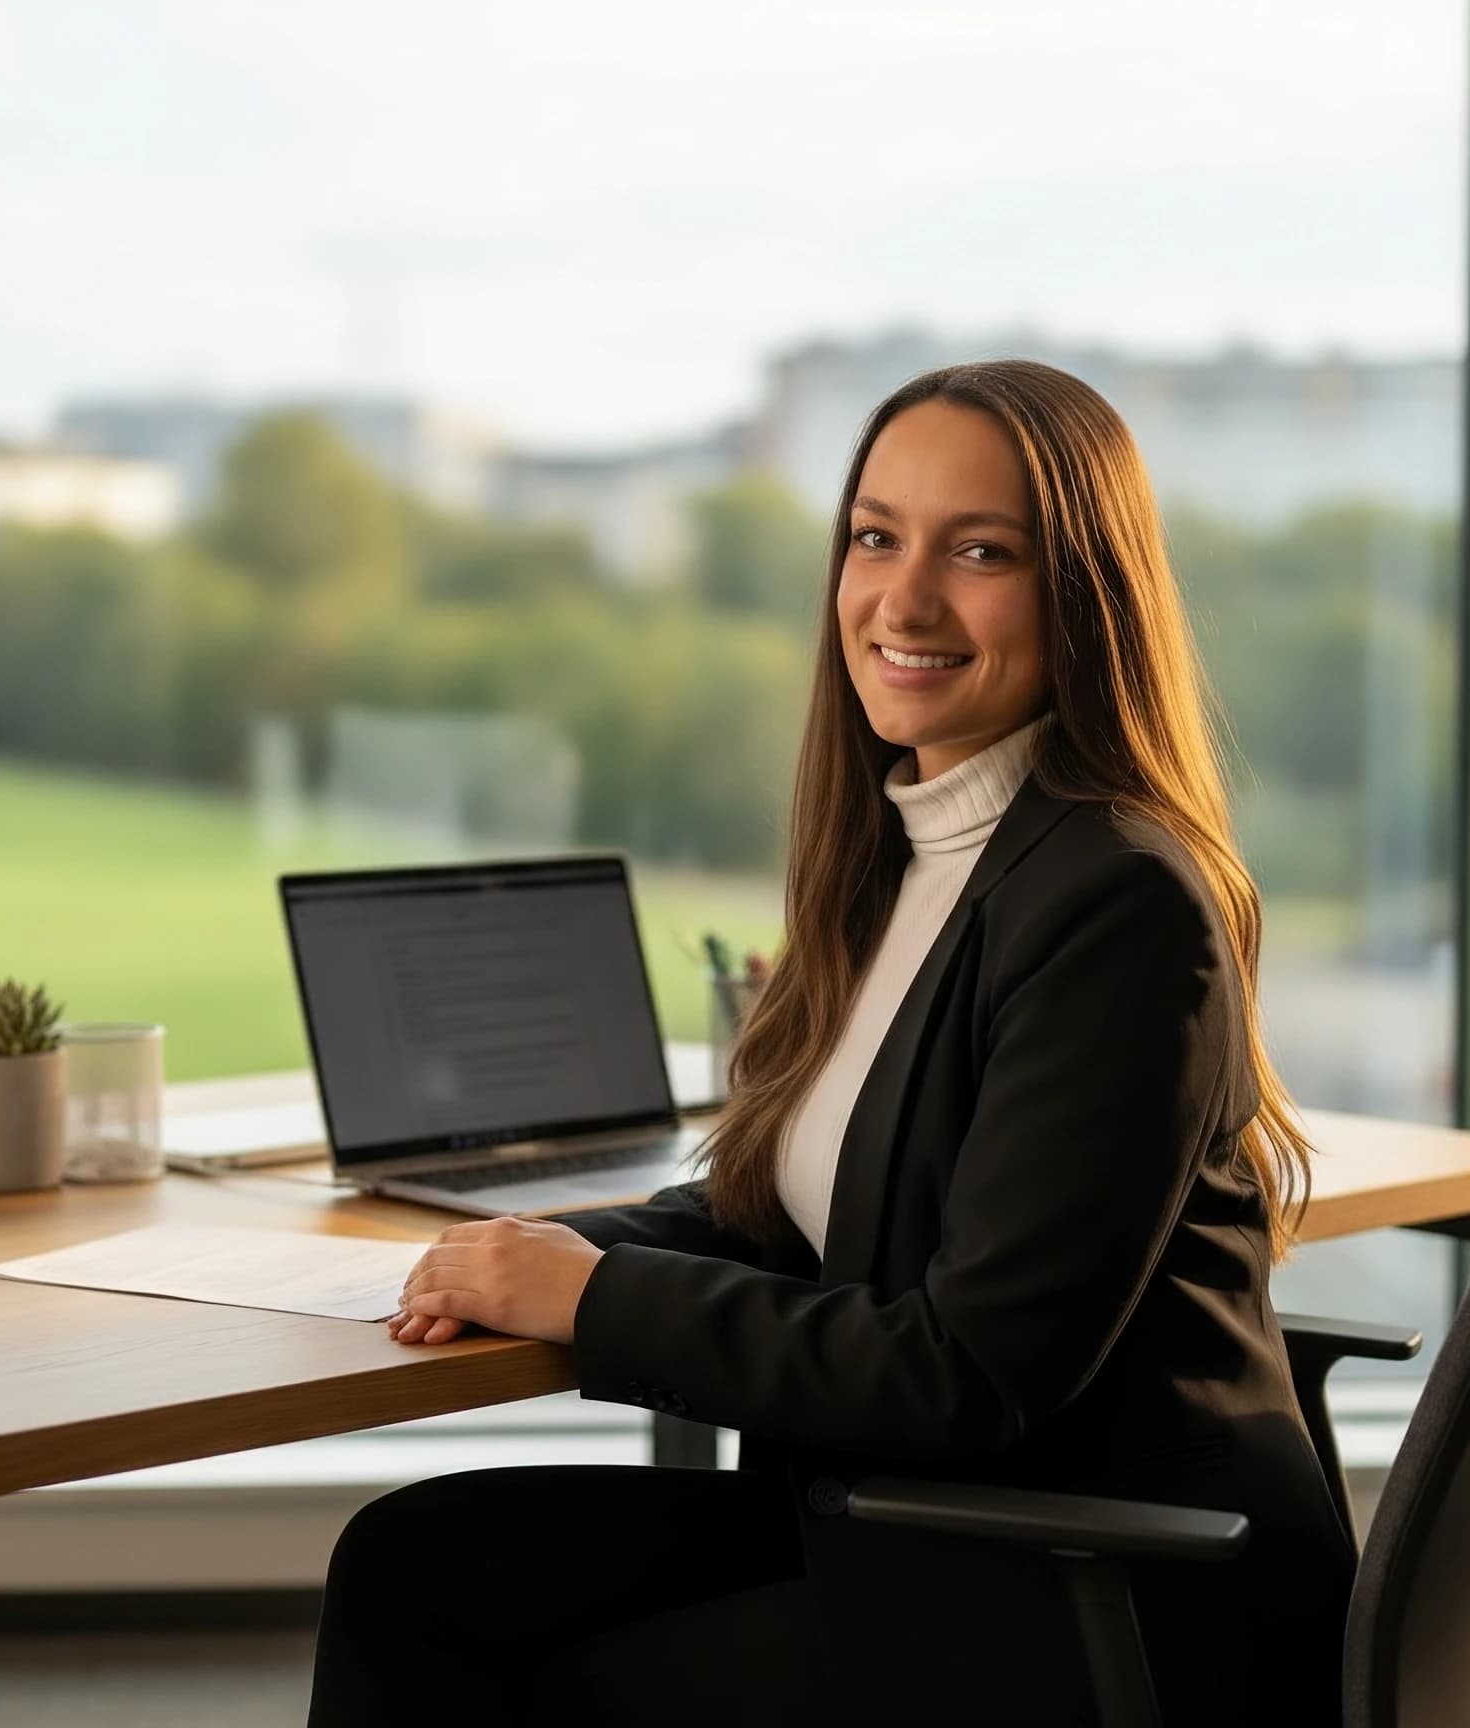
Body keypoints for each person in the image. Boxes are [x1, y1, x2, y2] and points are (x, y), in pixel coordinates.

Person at [306, 360, 1357, 1727]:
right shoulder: (904, 855)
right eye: (876, 537)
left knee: (563, 1688)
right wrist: (535, 1255)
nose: (903, 600)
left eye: (979, 552)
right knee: (415, 1566)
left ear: (1083, 595)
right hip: (914, 1522)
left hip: (1102, 1588)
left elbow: (966, 1369)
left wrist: (584, 1298)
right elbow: (809, 1219)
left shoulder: (1117, 900)